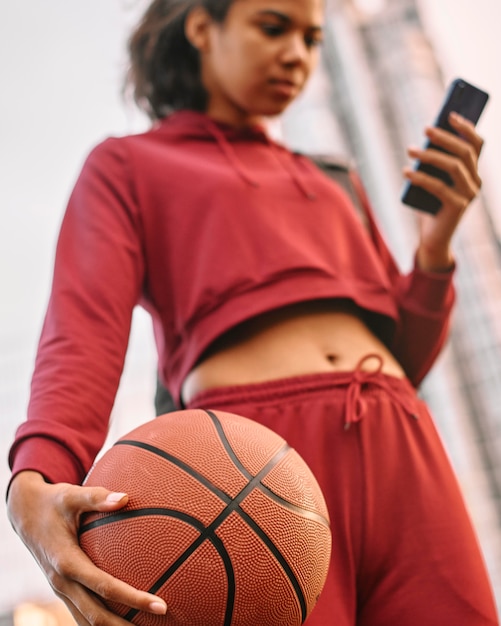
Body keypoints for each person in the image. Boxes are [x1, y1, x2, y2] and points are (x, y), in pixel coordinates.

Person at [6, 0, 499, 624]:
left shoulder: (333, 178)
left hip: (403, 443)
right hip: (252, 463)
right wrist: (37, 477)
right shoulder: (126, 165)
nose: (298, 54)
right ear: (201, 28)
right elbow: (82, 336)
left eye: (313, 39)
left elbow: (409, 355)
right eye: (274, 27)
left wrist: (434, 249)